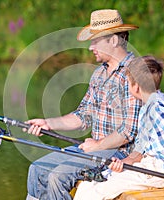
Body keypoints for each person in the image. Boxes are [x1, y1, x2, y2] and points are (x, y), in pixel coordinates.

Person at [24, 9, 142, 200]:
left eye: (95, 41)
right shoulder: (98, 74)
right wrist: (48, 123)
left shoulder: (134, 72)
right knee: (37, 169)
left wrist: (98, 146)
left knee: (57, 177)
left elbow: (129, 130)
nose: (90, 47)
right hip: (94, 148)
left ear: (113, 40)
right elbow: (83, 115)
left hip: (121, 154)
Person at [73, 56, 164, 200]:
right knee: (89, 184)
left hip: (161, 170)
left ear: (136, 87)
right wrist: (122, 163)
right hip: (147, 164)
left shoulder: (157, 109)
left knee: (94, 193)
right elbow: (139, 150)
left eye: (128, 83)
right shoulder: (149, 106)